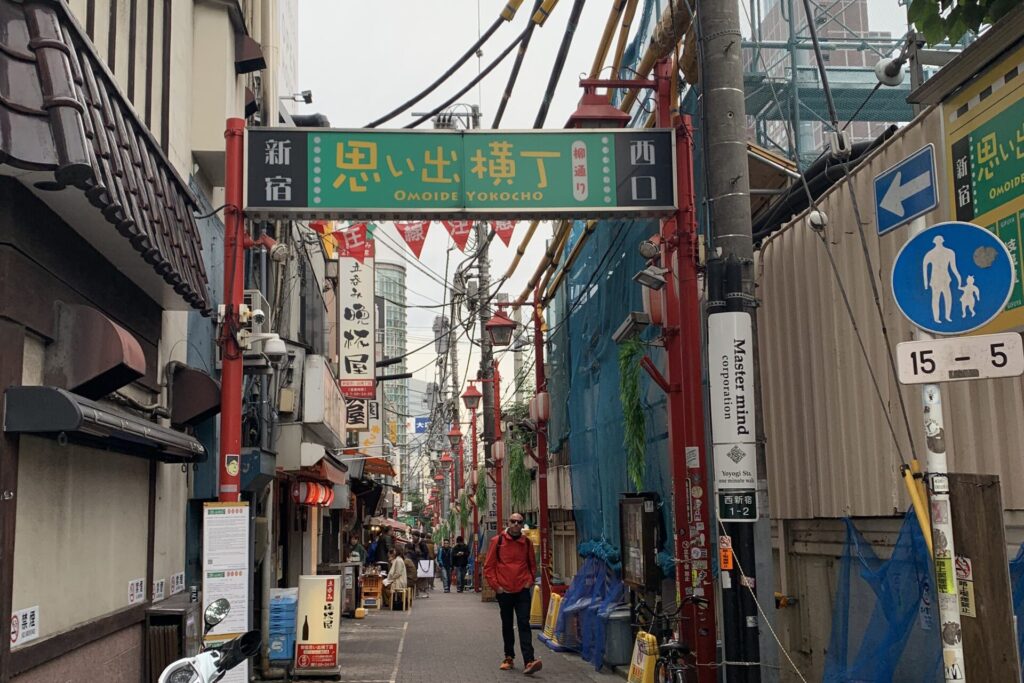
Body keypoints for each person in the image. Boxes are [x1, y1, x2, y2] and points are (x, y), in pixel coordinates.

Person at [484, 515, 541, 674]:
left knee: (524, 623)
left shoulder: (526, 543)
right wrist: (497, 587)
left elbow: (532, 565)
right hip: (505, 591)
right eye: (513, 522)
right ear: (507, 523)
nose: (516, 524)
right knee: (507, 625)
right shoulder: (497, 541)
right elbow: (489, 567)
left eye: (519, 522)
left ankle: (529, 660)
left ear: (522, 525)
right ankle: (509, 656)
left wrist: (529, 581)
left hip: (522, 590)